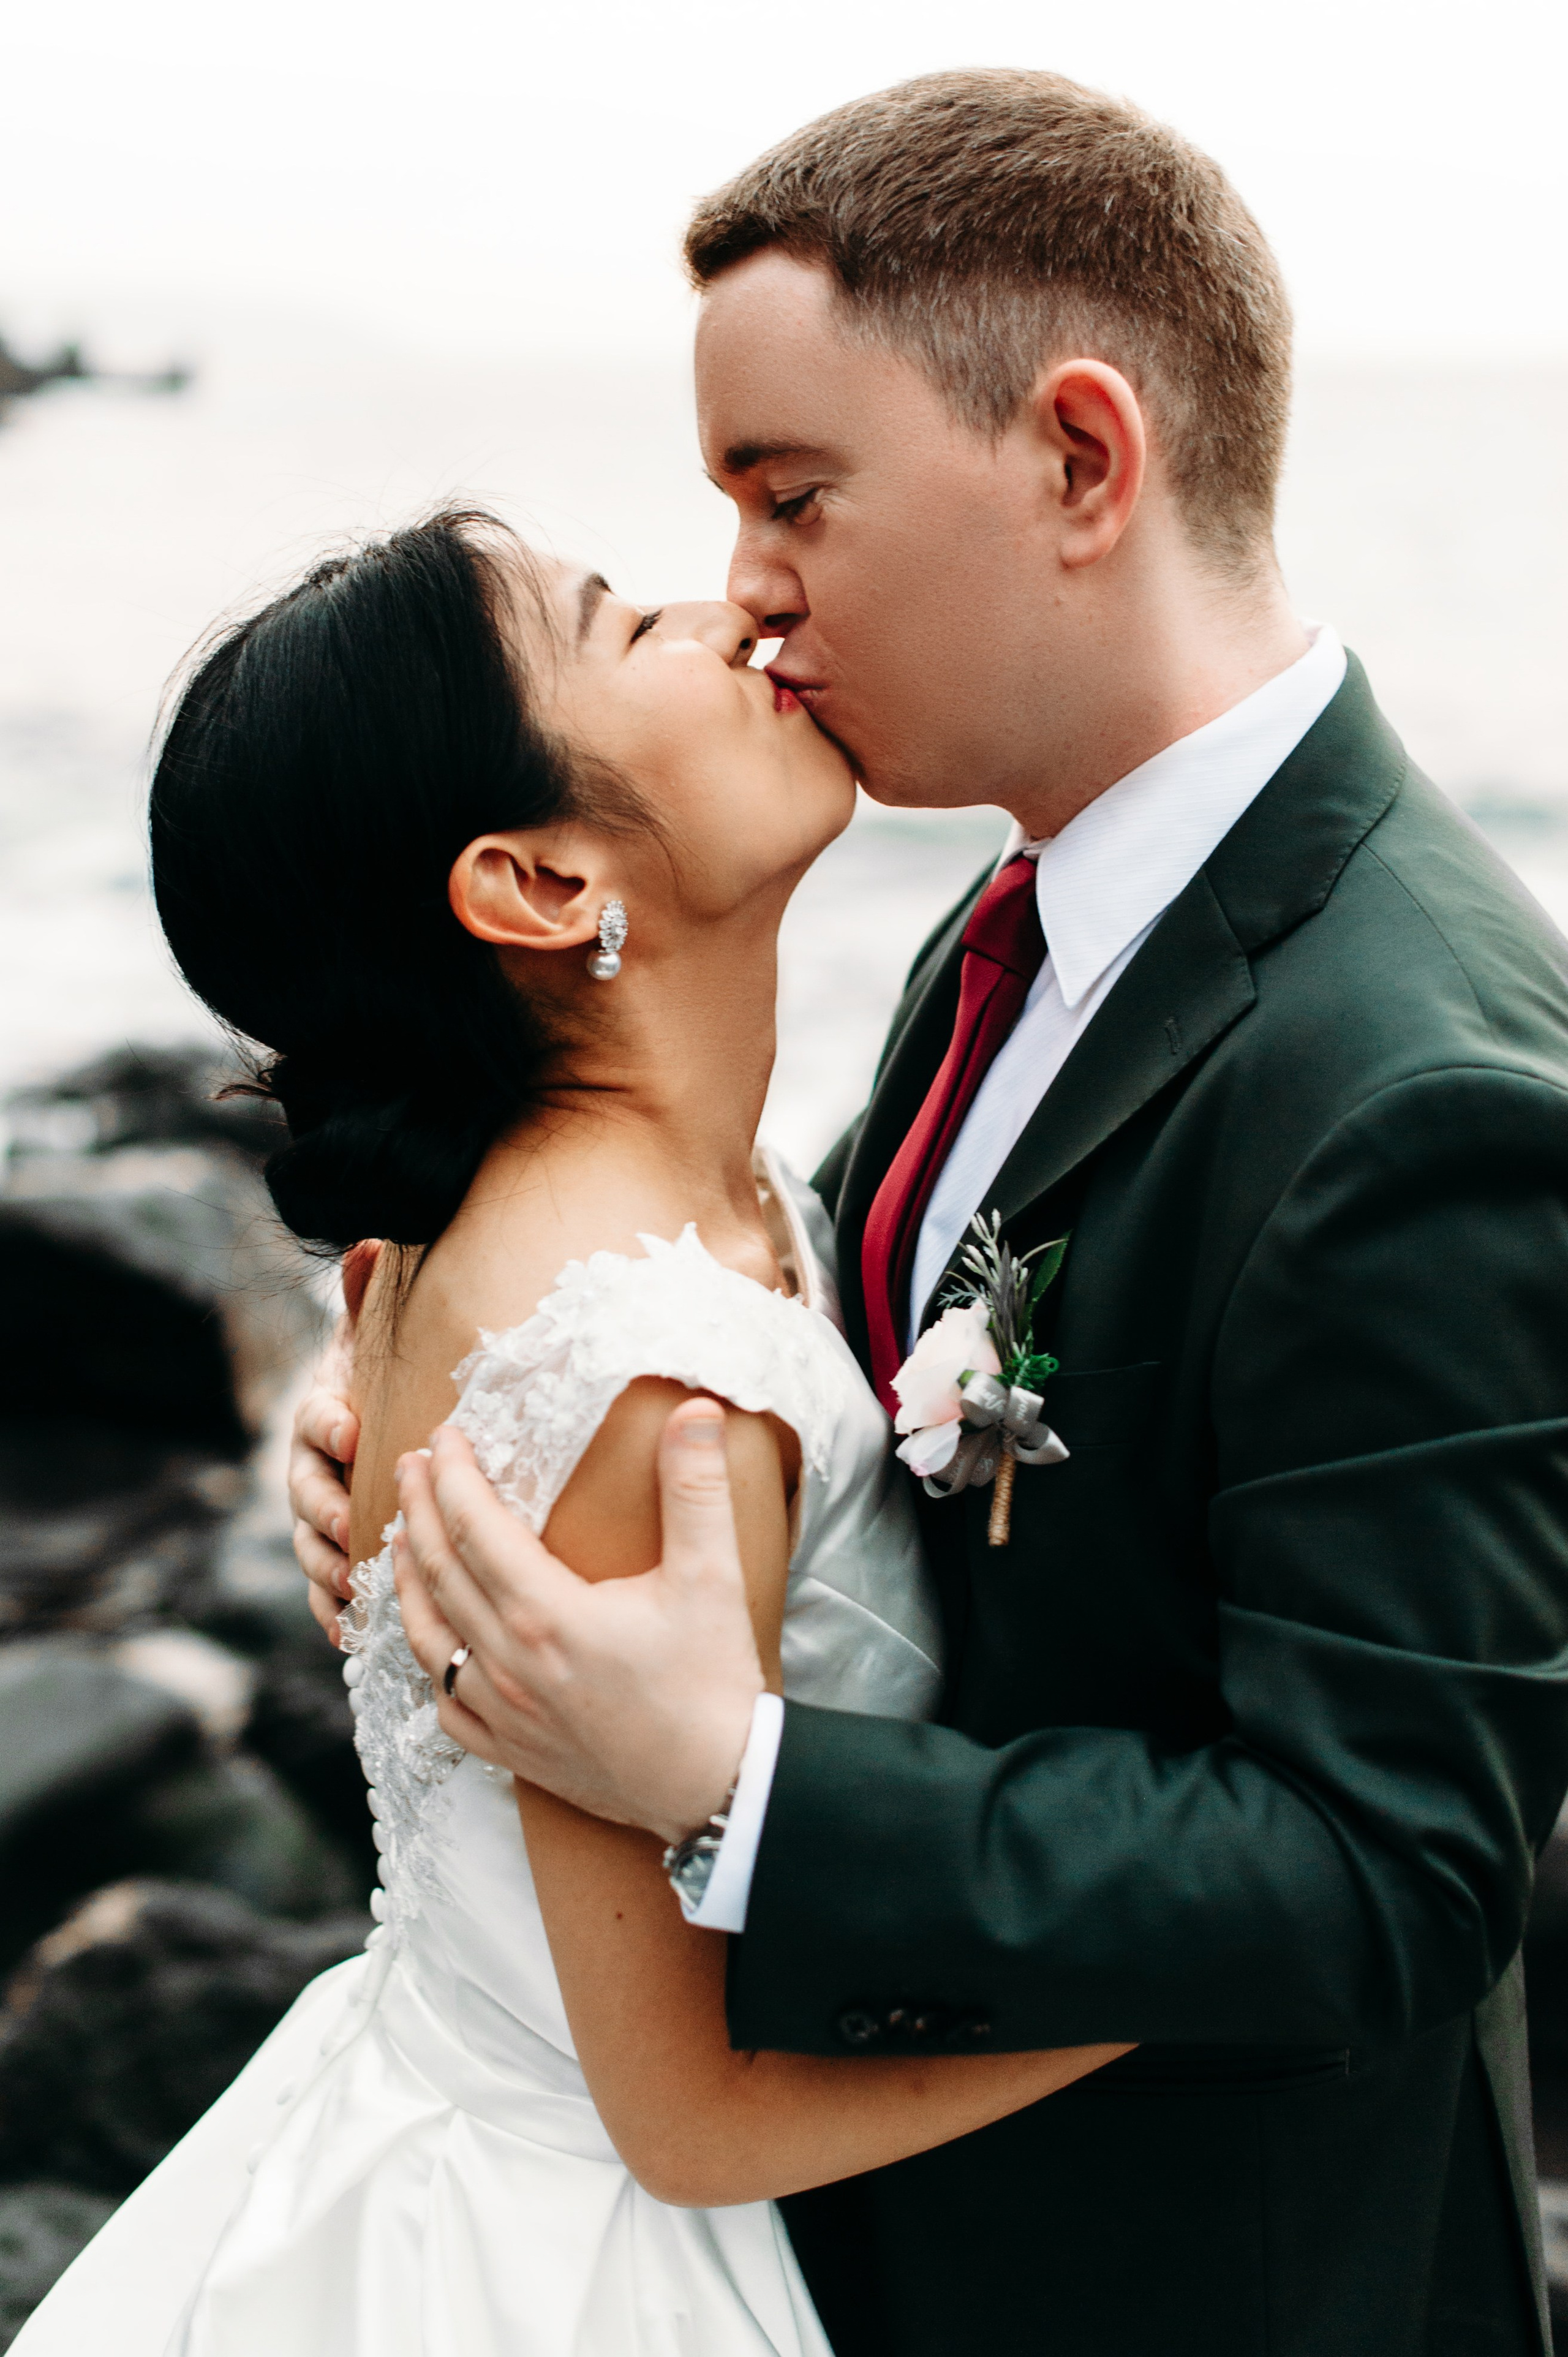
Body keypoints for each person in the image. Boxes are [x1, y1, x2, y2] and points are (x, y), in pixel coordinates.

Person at [294, 69, 1568, 2357]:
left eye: (792, 496)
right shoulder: (1027, 914)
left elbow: (1394, 1873)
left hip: (1204, 2287)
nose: (749, 596)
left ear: (1082, 461)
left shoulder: (1422, 1090)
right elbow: (861, 1384)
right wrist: (461, 1459)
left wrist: (734, 1780)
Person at [15, 512, 1126, 2357]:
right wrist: (1176, 1997)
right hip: (550, 2265)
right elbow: (683, 2119)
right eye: (628, 626)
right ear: (533, 886)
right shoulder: (651, 1391)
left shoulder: (572, 1227)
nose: (733, 614)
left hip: (423, 2130)